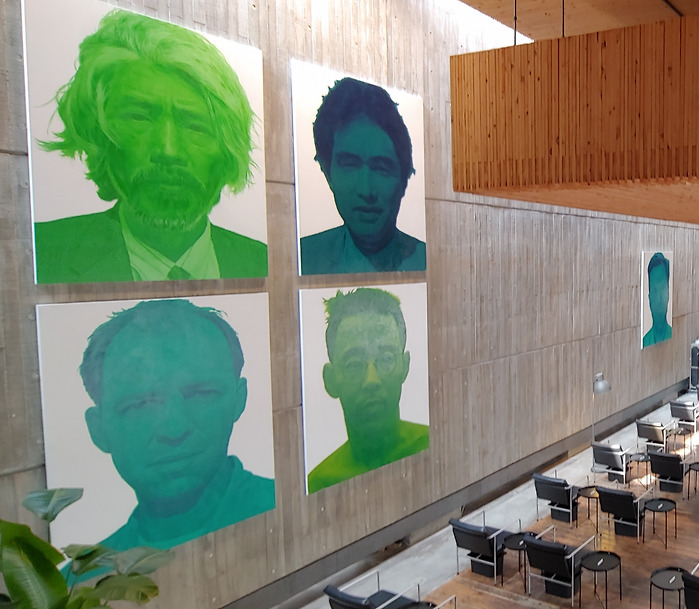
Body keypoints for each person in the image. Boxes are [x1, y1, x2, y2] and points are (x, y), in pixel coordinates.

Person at [33, 10, 266, 284]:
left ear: (229, 150)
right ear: (98, 134)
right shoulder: (43, 254)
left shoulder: (262, 262)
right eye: (138, 118)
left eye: (196, 126)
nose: (168, 150)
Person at [79, 299, 274, 552]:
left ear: (239, 400)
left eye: (201, 394)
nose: (174, 430)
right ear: (98, 429)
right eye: (140, 405)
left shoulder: (284, 505)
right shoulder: (85, 575)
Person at [307, 288, 429, 492]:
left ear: (405, 366)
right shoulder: (319, 484)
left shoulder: (432, 446)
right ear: (330, 380)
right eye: (354, 364)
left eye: (387, 358)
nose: (372, 380)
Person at [299, 78, 425, 274]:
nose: (366, 190)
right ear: (328, 172)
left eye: (381, 168)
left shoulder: (427, 260)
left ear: (403, 179)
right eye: (349, 165)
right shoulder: (303, 257)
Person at [642, 252, 672, 347]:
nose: (659, 298)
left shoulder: (671, 333)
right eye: (655, 290)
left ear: (668, 293)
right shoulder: (645, 342)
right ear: (649, 298)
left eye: (662, 289)